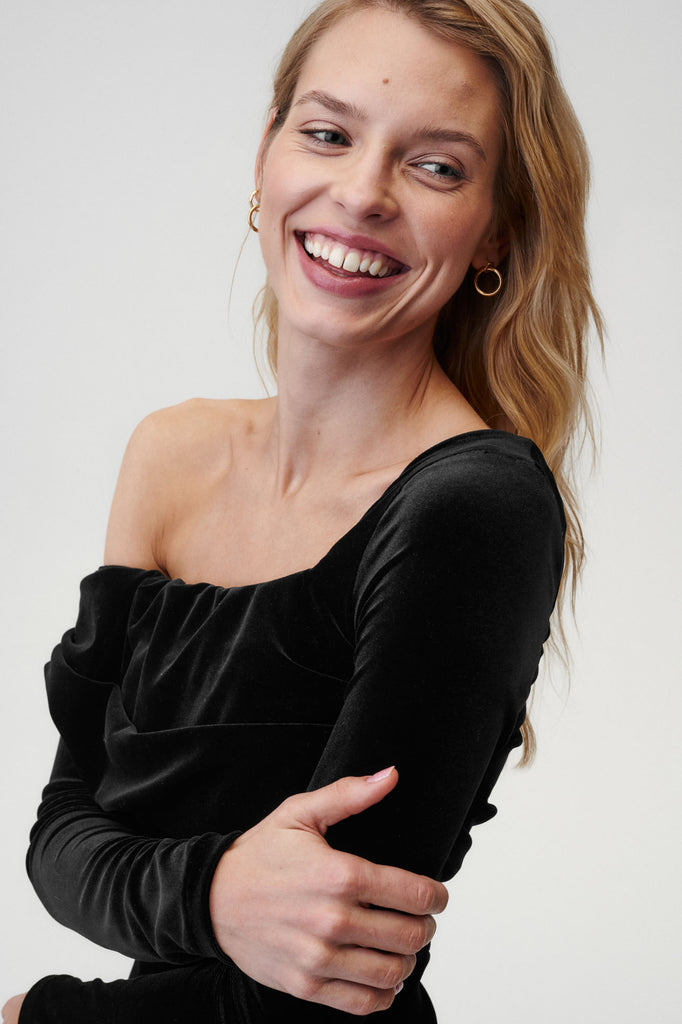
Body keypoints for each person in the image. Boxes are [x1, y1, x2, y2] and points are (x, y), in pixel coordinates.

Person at [2, 0, 603, 1020]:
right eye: (327, 133)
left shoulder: (476, 508)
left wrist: (36, 1017)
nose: (361, 193)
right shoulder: (169, 455)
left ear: (495, 227)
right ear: (266, 155)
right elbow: (61, 835)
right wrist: (218, 895)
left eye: (435, 166)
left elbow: (323, 988)